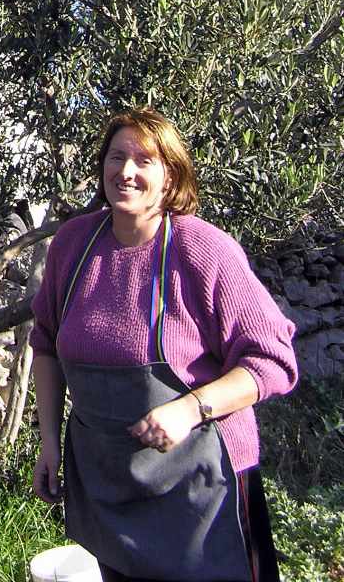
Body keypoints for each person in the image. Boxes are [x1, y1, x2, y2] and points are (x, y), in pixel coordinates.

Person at [30, 108, 297, 582]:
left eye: (143, 160)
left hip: (201, 494)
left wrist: (189, 408)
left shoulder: (203, 251)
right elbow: (46, 344)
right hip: (108, 489)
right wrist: (49, 440)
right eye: (116, 157)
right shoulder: (73, 245)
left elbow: (271, 360)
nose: (125, 171)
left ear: (171, 177)